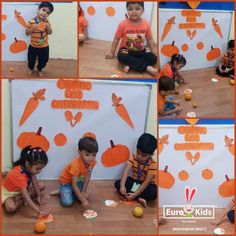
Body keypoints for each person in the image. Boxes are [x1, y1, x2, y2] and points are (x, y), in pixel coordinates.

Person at [105, 2, 157, 76]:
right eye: (130, 9)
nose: (134, 11)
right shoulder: (122, 24)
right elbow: (117, 38)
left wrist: (153, 52)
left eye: (137, 9)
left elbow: (149, 39)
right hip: (126, 51)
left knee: (153, 58)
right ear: (127, 10)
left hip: (140, 51)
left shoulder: (146, 24)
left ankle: (129, 64)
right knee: (121, 57)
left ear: (143, 10)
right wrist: (112, 52)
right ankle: (147, 68)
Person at [2, 146, 49, 217]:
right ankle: (21, 199)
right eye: (37, 169)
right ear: (27, 164)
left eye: (41, 169)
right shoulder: (20, 175)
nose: (39, 171)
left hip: (21, 190)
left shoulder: (28, 168)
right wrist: (39, 212)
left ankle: (21, 197)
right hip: (10, 193)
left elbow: (35, 182)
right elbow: (27, 198)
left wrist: (38, 195)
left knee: (42, 185)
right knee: (11, 208)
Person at [114, 133, 157, 208]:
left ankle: (134, 195)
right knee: (118, 183)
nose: (139, 156)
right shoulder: (133, 157)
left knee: (154, 193)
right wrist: (122, 185)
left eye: (143, 155)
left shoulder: (153, 164)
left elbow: (147, 181)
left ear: (151, 155)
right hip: (135, 182)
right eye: (138, 152)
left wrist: (135, 194)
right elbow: (127, 170)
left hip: (146, 185)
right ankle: (139, 198)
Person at [59, 136, 98, 209]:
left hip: (78, 182)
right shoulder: (75, 165)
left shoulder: (92, 162)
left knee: (85, 195)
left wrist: (84, 191)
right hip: (66, 183)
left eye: (94, 155)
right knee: (67, 203)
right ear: (79, 152)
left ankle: (69, 193)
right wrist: (83, 200)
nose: (91, 158)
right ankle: (62, 191)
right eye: (87, 155)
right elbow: (73, 185)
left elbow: (87, 177)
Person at [25, 2, 54, 76]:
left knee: (44, 60)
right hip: (33, 46)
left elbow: (50, 33)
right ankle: (31, 68)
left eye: (47, 13)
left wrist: (48, 26)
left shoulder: (47, 21)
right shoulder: (31, 21)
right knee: (31, 60)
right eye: (43, 10)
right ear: (38, 9)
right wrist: (33, 28)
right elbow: (27, 33)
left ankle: (40, 69)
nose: (44, 13)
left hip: (44, 46)